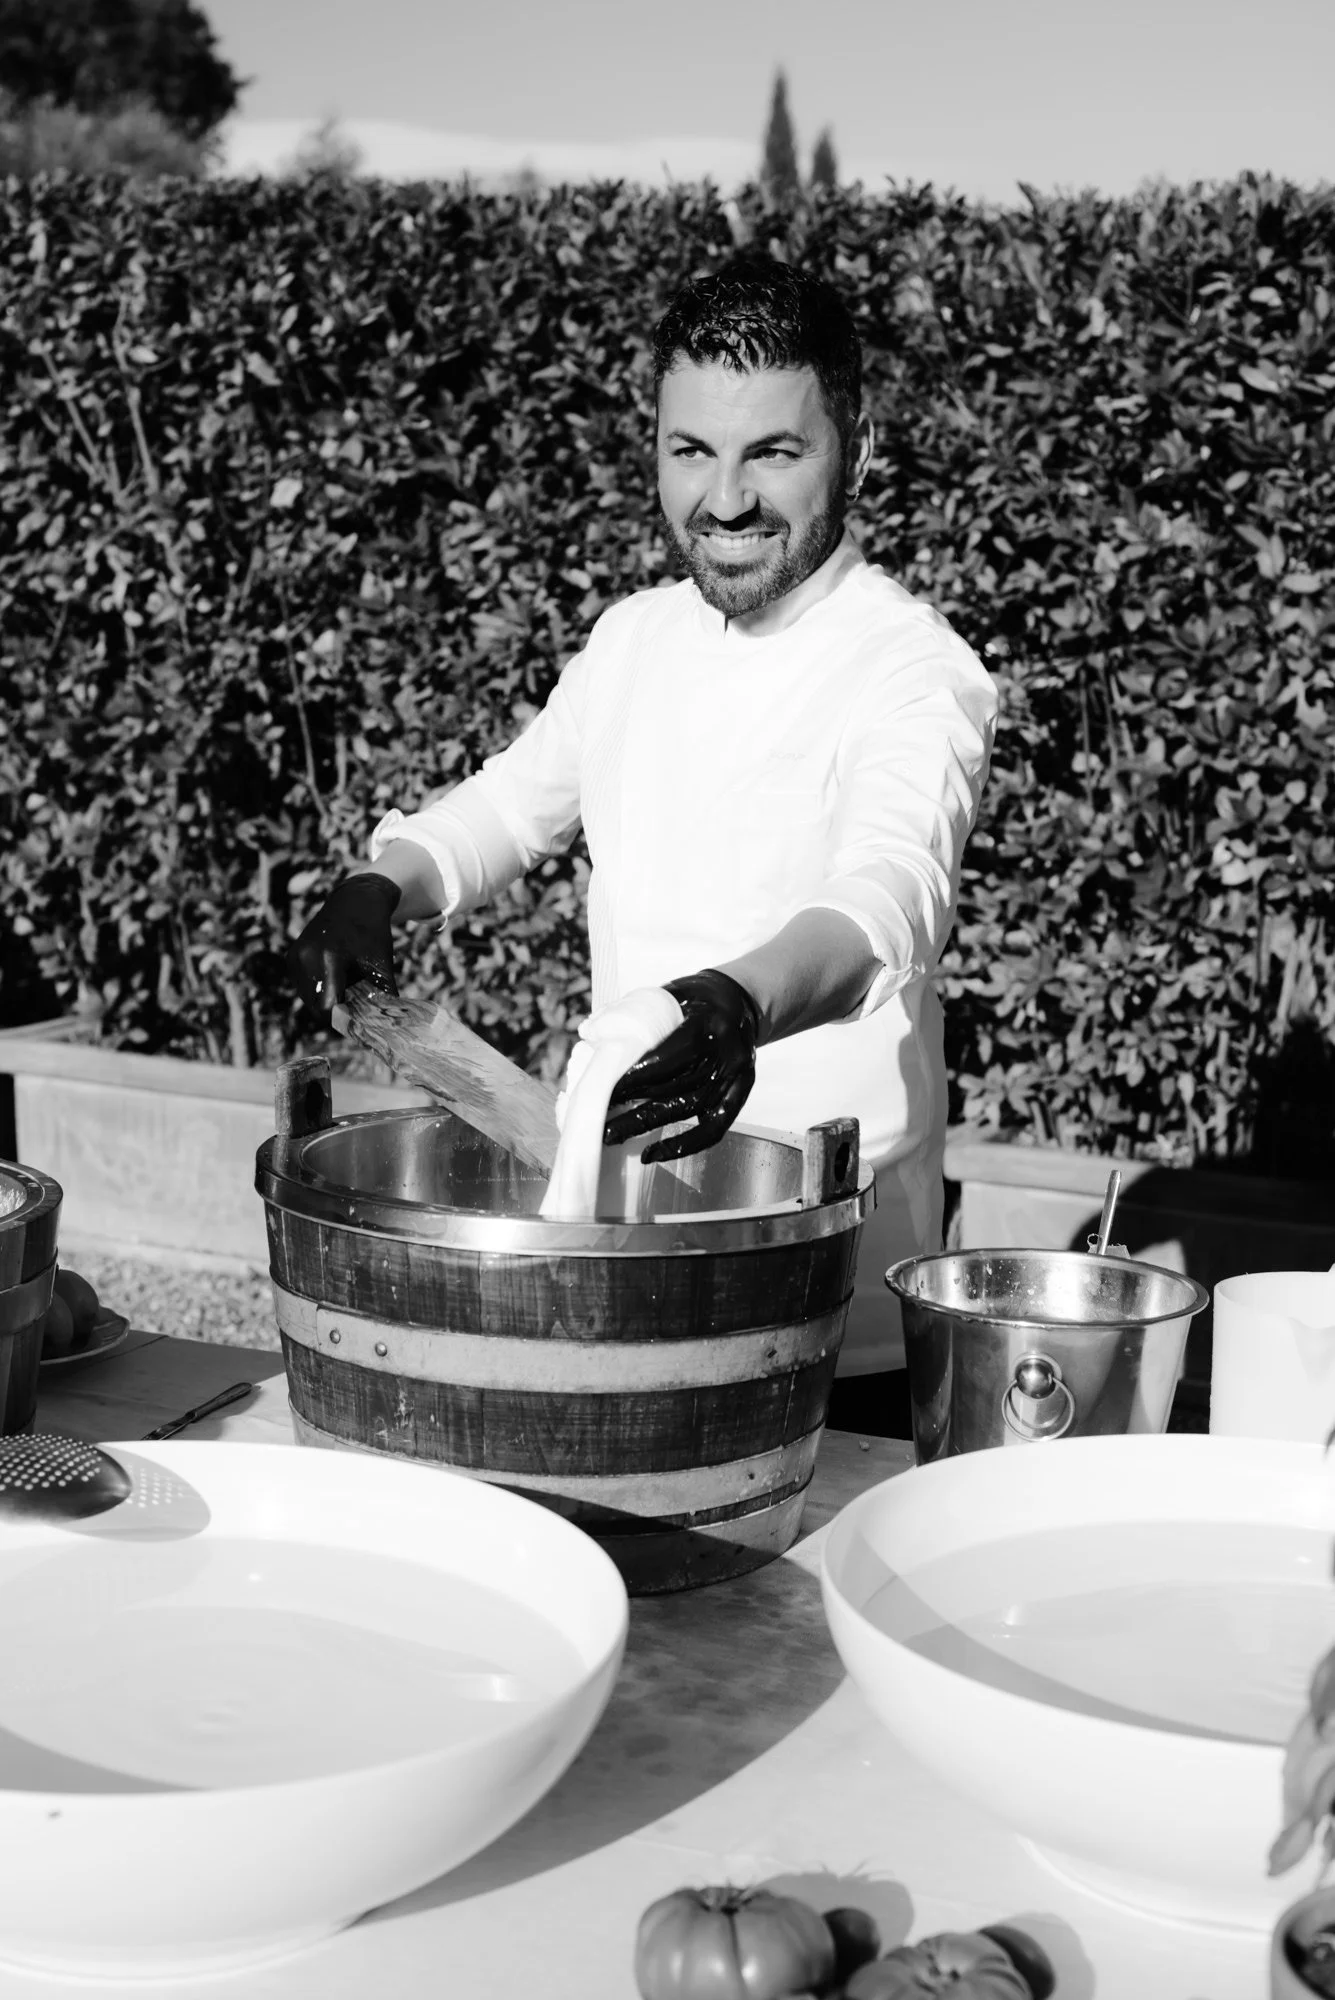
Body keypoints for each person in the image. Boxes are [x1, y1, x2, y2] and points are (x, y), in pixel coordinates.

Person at [289, 255, 998, 1438]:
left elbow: (888, 892)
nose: (724, 500)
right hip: (626, 1265)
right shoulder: (633, 639)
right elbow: (511, 804)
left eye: (773, 450)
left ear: (856, 448)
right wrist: (383, 882)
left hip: (835, 1312)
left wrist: (736, 1004)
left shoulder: (913, 668)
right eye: (690, 450)